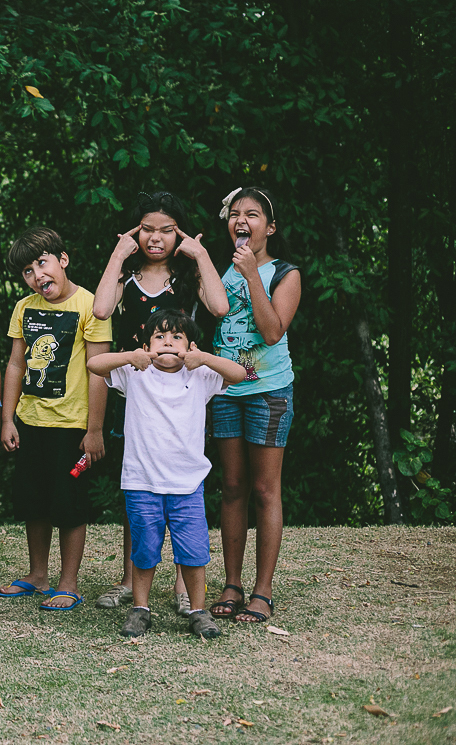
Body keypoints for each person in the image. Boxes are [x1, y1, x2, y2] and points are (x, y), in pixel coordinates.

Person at [90, 192, 228, 615]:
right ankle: (132, 581)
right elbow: (100, 310)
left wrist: (200, 252)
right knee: (140, 487)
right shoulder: (126, 275)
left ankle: (183, 587)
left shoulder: (188, 277)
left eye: (167, 230)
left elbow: (219, 307)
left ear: (179, 233)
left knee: (177, 485)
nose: (155, 237)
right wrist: (118, 253)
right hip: (137, 391)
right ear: (135, 231)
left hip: (183, 397)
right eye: (146, 228)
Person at [88, 310, 247, 638]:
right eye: (160, 337)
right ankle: (140, 609)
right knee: (145, 549)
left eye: (177, 337)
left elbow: (239, 373)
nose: (168, 343)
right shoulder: (135, 373)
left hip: (188, 484)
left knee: (193, 550)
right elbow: (95, 365)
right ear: (147, 345)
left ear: (189, 346)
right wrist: (132, 357)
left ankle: (199, 612)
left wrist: (202, 358)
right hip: (141, 481)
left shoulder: (201, 375)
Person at [0, 227, 111, 610]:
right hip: (30, 421)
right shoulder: (24, 308)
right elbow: (15, 364)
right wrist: (7, 420)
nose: (37, 275)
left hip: (73, 427)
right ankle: (37, 574)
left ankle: (69, 581)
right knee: (34, 501)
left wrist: (94, 430)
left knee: (69, 504)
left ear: (63, 259)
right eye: (27, 270)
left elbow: (99, 371)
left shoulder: (91, 306)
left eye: (42, 263)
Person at [208, 187, 300, 624]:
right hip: (225, 391)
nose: (242, 221)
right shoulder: (219, 269)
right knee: (231, 486)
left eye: (254, 214)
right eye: (235, 214)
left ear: (270, 227)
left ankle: (262, 590)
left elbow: (271, 332)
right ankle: (231, 583)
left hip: (269, 391)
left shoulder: (285, 273)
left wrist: (250, 276)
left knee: (264, 490)